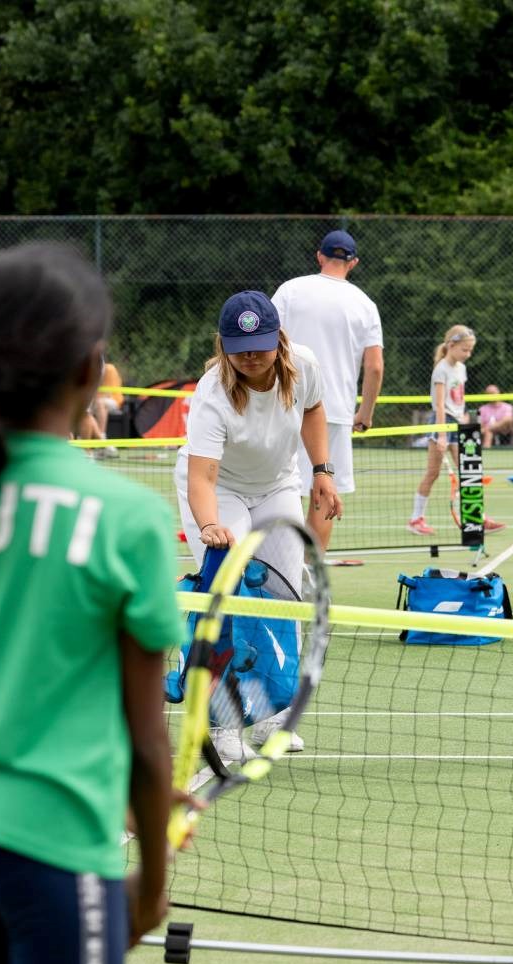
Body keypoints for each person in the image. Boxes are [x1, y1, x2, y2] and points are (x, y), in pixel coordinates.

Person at [0, 242, 182, 964]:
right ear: (92, 369)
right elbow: (148, 739)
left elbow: (5, 670)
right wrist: (151, 886)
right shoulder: (127, 517)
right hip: (52, 841)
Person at [177, 290, 341, 759]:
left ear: (279, 341)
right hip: (218, 490)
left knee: (285, 595)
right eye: (239, 345)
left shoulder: (304, 366)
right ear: (223, 345)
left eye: (260, 344)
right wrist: (210, 525)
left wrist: (323, 473)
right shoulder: (212, 394)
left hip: (276, 485)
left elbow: (312, 409)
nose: (251, 355)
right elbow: (202, 477)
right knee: (228, 599)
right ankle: (222, 723)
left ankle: (273, 714)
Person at [272, 229, 385, 554]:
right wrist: (365, 412)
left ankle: (280, 571)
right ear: (354, 263)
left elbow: (267, 340)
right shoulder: (364, 304)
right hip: (332, 412)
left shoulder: (290, 290)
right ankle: (310, 577)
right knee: (323, 493)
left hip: (282, 405)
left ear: (320, 256)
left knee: (278, 489)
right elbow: (375, 366)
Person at [409, 325, 503, 535]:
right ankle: (415, 519)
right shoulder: (441, 369)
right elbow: (440, 405)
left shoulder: (461, 368)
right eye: (465, 350)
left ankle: (475, 516)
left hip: (457, 422)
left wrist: (464, 419)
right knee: (432, 473)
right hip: (442, 423)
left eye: (470, 350)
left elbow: (459, 397)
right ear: (451, 345)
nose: (468, 354)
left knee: (468, 471)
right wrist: (442, 435)